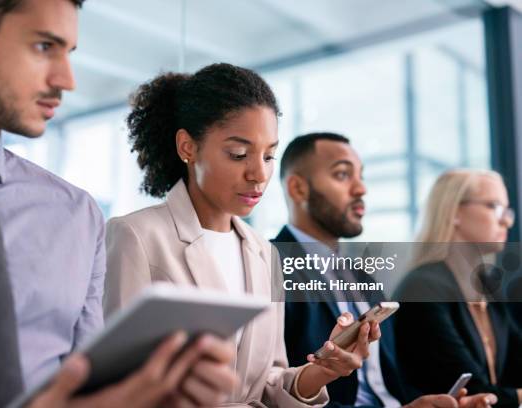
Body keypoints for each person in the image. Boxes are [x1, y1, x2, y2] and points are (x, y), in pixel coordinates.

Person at [0, 1, 234, 407]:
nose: (66, 80)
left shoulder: (76, 215)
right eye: (45, 46)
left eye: (70, 53)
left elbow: (86, 381)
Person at [104, 63, 382, 407]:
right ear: (188, 147)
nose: (259, 174)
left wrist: (325, 369)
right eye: (239, 154)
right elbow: (119, 385)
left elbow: (268, 379)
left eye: (268, 156)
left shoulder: (264, 253)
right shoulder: (137, 236)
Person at [274, 133, 498, 408]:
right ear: (298, 189)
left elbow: (389, 382)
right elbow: (270, 388)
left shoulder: (362, 277)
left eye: (361, 176)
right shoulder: (271, 266)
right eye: (343, 175)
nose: (361, 189)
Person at [394, 169, 522, 408]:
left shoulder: (487, 286)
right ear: (454, 212)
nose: (506, 220)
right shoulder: (422, 287)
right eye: (494, 206)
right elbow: (472, 390)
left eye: (508, 210)